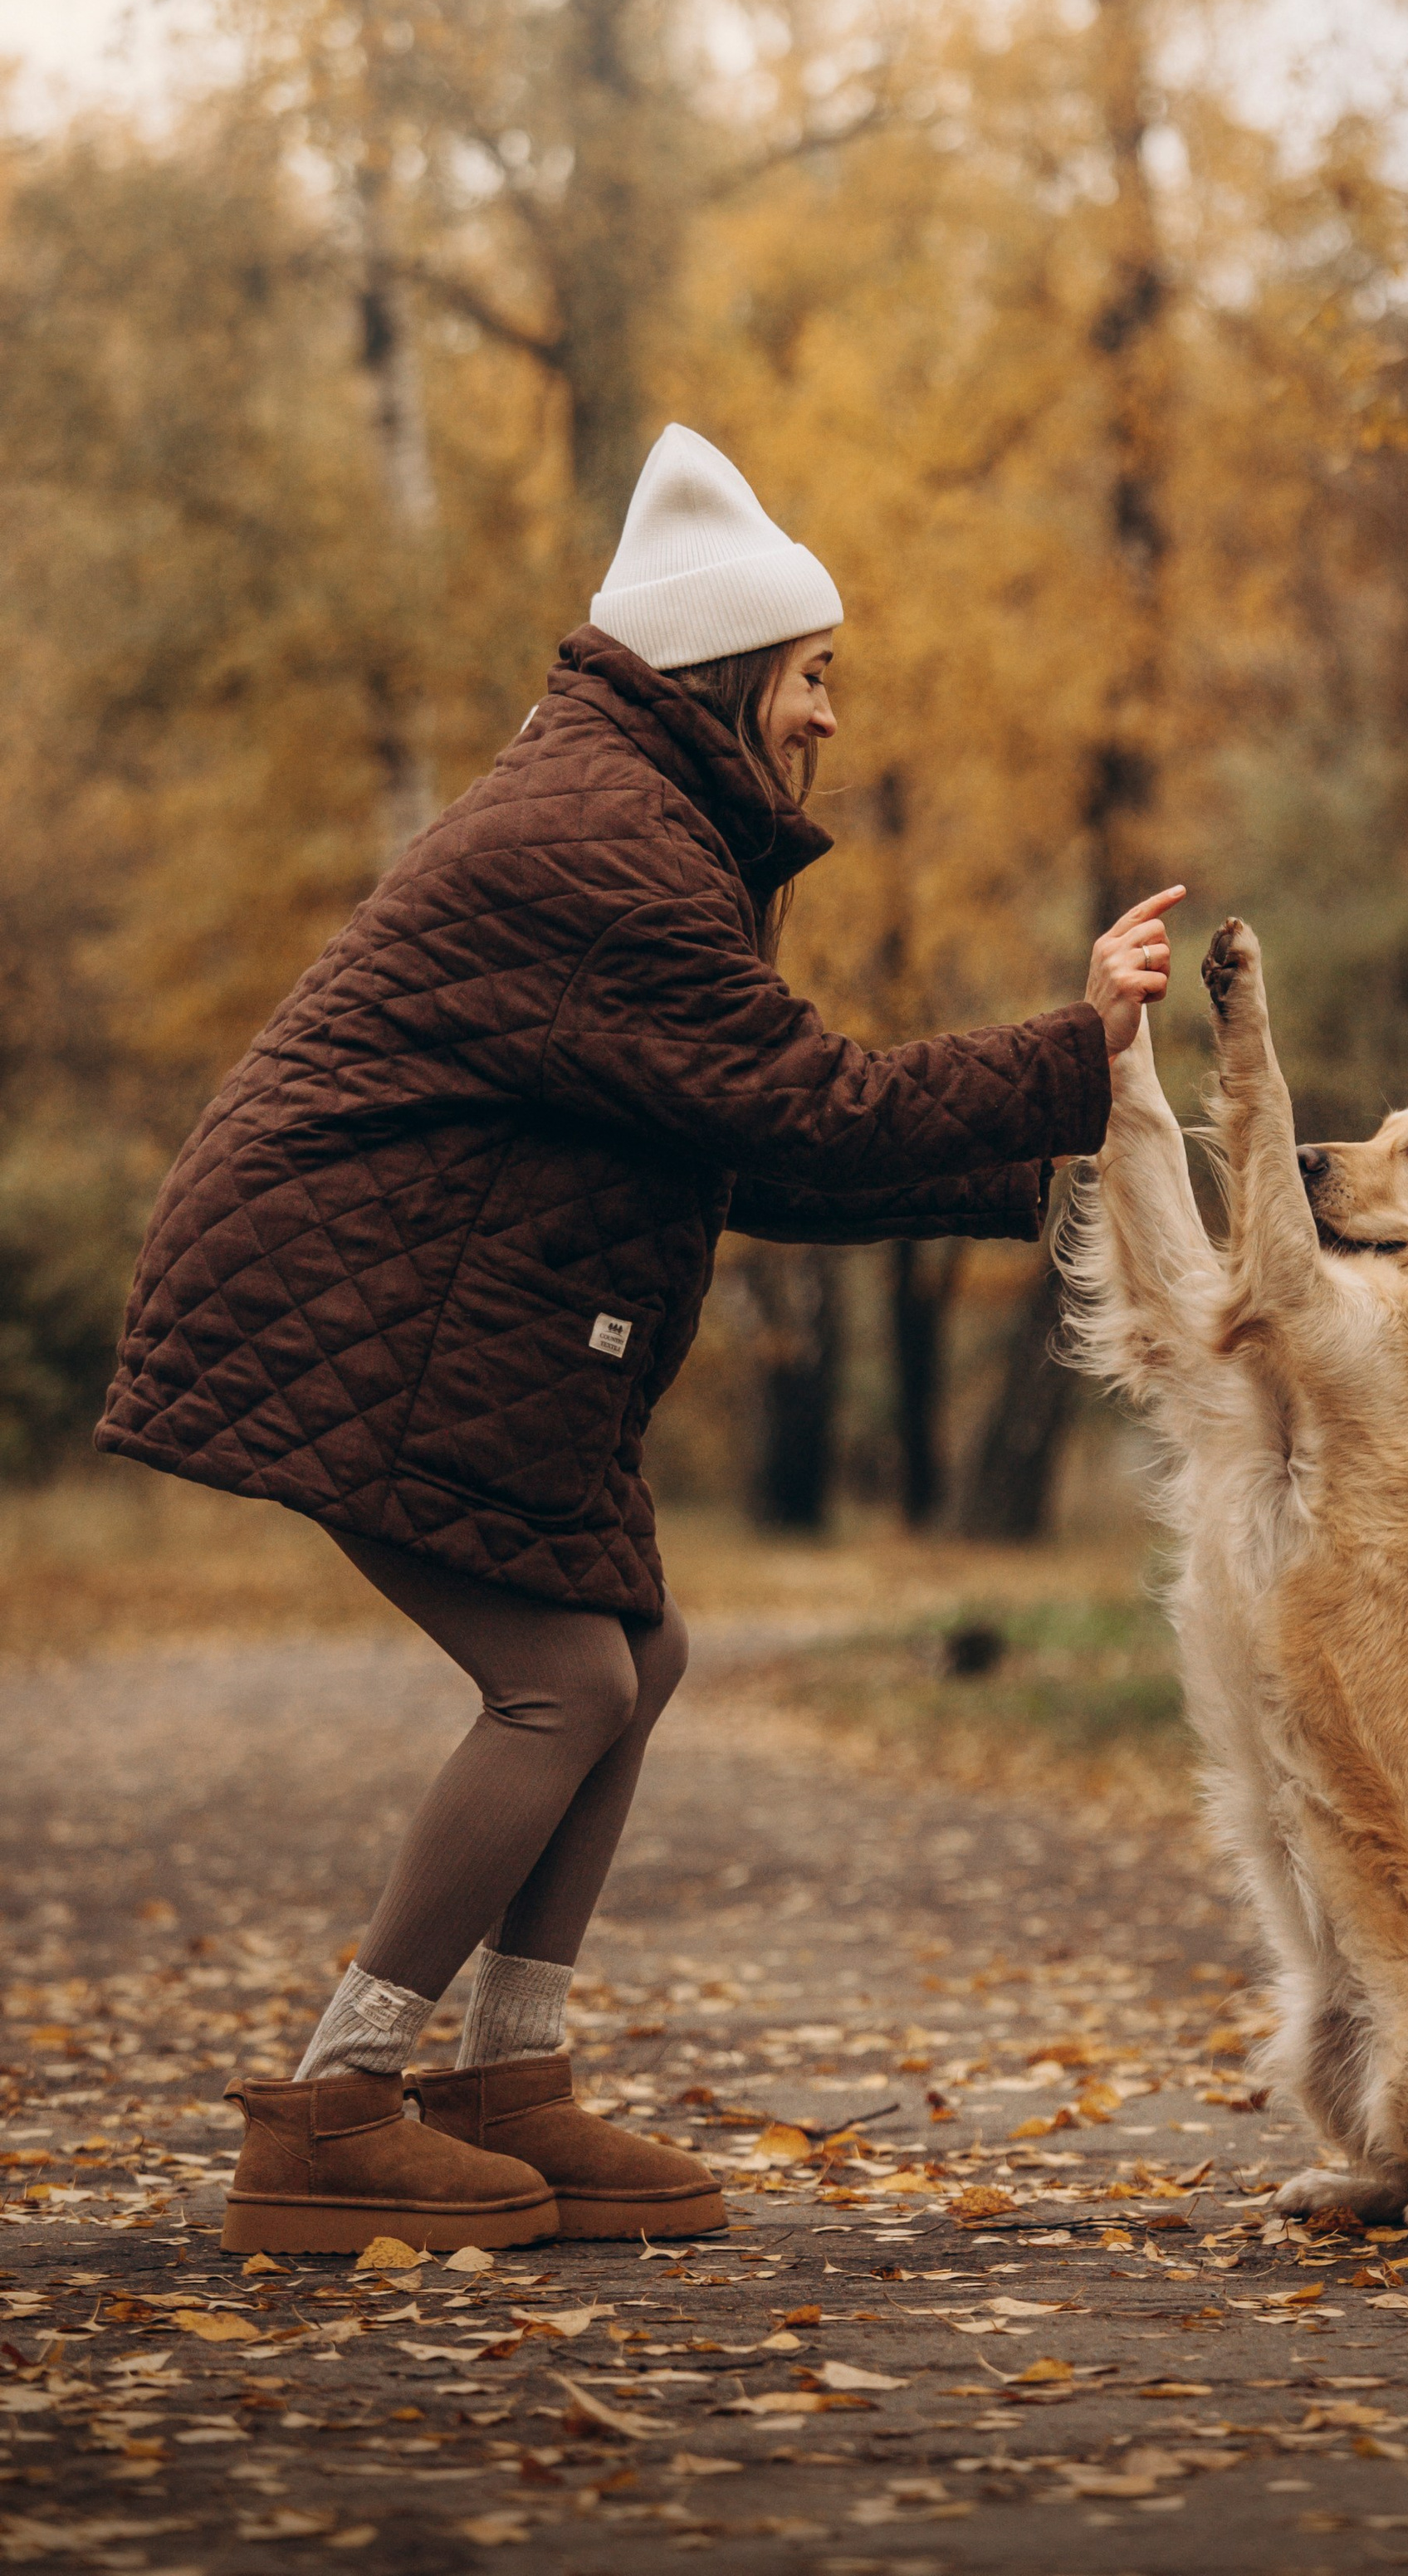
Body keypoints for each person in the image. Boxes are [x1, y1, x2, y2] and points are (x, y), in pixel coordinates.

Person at [97, 424, 1183, 2256]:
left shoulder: (636, 819)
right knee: (564, 1681)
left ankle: (507, 2079)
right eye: (814, 674)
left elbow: (735, 1144)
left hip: (434, 1294)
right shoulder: (603, 847)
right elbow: (803, 1103)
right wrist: (1065, 1055)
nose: (830, 715)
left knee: (637, 1650)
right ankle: (334, 2110)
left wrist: (1034, 1163)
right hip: (357, 1294)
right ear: (730, 670)